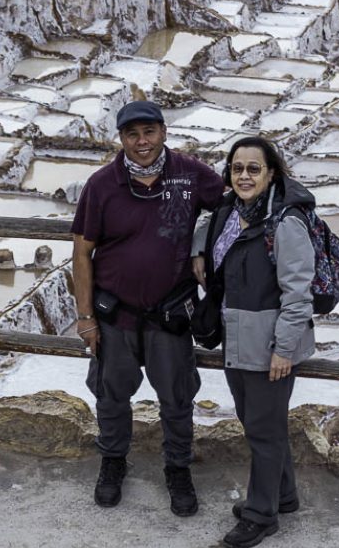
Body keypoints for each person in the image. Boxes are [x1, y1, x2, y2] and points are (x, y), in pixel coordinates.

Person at [72, 100, 225, 514]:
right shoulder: (103, 184)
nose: (142, 142)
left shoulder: (191, 176)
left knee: (177, 397)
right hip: (115, 314)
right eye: (132, 134)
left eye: (149, 132)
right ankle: (112, 463)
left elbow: (230, 207)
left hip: (170, 314)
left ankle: (177, 469)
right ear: (121, 138)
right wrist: (85, 317)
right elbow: (82, 251)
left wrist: (200, 248)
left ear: (163, 132)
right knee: (110, 394)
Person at [197, 136, 316, 548]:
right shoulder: (233, 212)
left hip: (269, 344)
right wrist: (198, 251)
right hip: (238, 338)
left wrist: (284, 348)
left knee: (263, 432)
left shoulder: (286, 222)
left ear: (271, 173)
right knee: (259, 423)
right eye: (237, 168)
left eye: (253, 168)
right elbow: (205, 231)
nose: (244, 176)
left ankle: (260, 515)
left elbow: (298, 293)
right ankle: (283, 495)